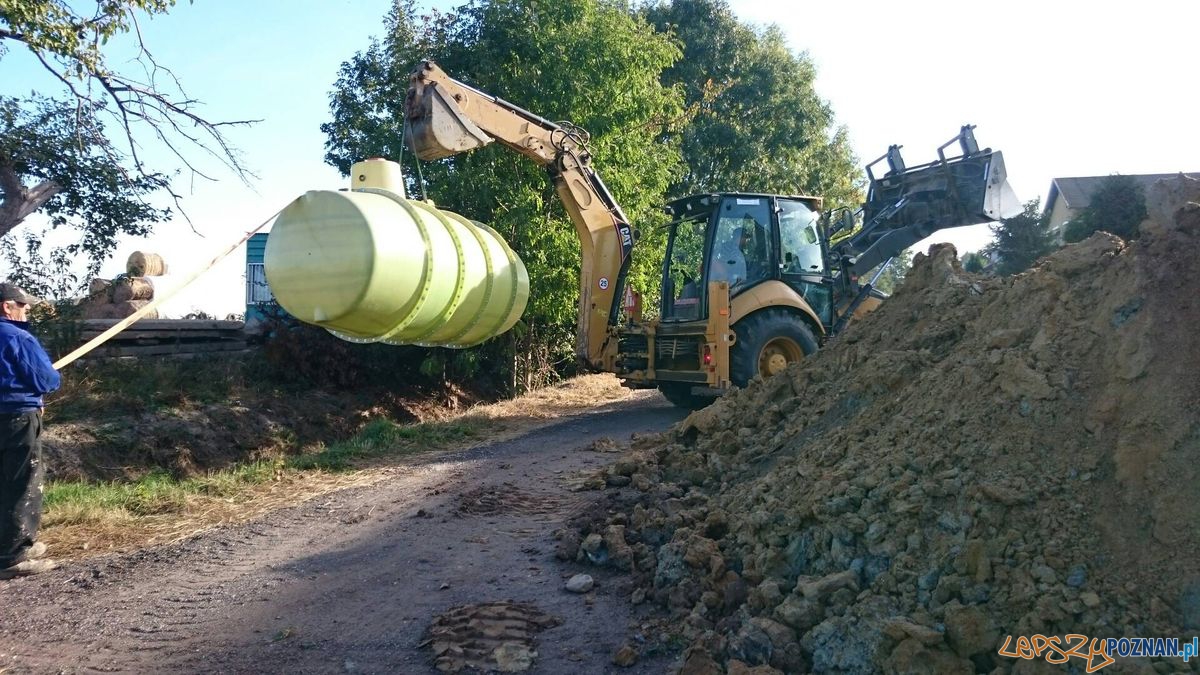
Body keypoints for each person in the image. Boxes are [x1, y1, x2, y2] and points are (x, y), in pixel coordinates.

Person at [0, 283, 61, 579]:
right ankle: (13, 555)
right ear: (6, 307)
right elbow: (46, 379)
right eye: (23, 305)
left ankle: (10, 544)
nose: (27, 310)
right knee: (20, 482)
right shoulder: (17, 337)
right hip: (16, 418)